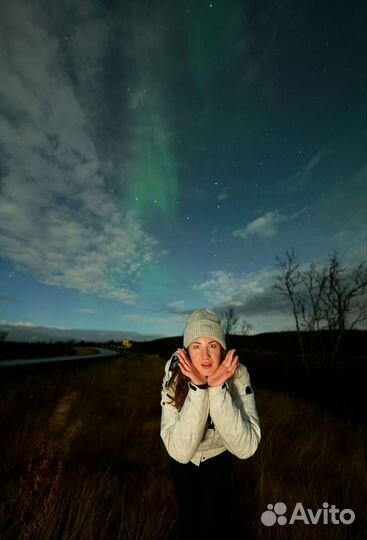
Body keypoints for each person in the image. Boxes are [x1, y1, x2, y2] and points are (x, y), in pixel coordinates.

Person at [160, 308, 261, 539]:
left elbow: (246, 447)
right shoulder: (174, 375)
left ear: (222, 350)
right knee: (189, 519)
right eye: (196, 346)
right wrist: (197, 389)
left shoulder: (238, 373)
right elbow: (181, 452)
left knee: (215, 523)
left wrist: (216, 390)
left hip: (218, 454)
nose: (205, 356)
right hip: (184, 456)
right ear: (187, 350)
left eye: (212, 345)